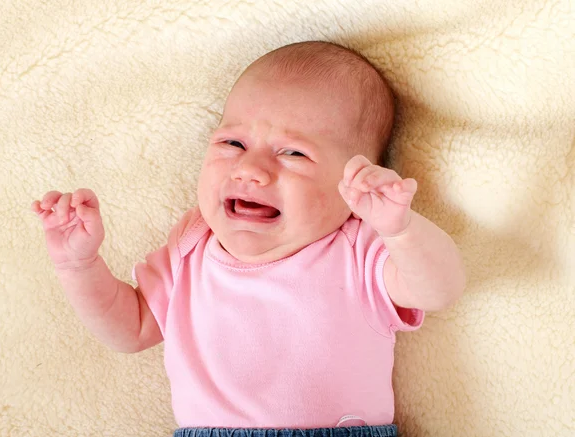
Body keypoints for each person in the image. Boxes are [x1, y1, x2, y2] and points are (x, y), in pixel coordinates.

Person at [32, 41, 466, 437]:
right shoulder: (191, 248)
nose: (250, 169)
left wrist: (401, 229)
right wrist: (80, 266)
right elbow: (131, 329)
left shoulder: (357, 251)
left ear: (353, 182)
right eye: (233, 142)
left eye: (293, 152)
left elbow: (439, 289)